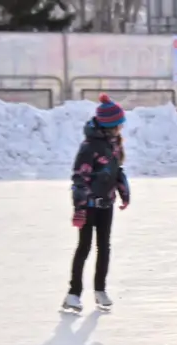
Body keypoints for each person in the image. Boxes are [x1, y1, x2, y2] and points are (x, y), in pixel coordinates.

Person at [62, 93, 130, 313]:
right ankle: (73, 293)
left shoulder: (114, 144)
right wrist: (79, 208)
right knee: (84, 247)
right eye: (118, 124)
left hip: (106, 205)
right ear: (110, 125)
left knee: (104, 247)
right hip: (89, 205)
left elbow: (116, 171)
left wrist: (123, 192)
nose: (121, 128)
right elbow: (79, 178)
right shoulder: (89, 146)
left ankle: (100, 290)